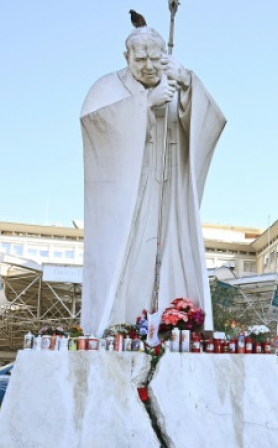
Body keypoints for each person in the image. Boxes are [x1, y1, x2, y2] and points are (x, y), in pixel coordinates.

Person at [80, 26, 226, 339]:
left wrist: (189, 85)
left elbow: (212, 122)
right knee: (128, 258)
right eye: (140, 59)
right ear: (126, 57)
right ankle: (119, 328)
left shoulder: (175, 82)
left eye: (155, 59)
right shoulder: (107, 87)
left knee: (175, 248)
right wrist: (145, 103)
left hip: (170, 191)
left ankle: (176, 324)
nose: (148, 66)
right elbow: (95, 125)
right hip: (129, 193)